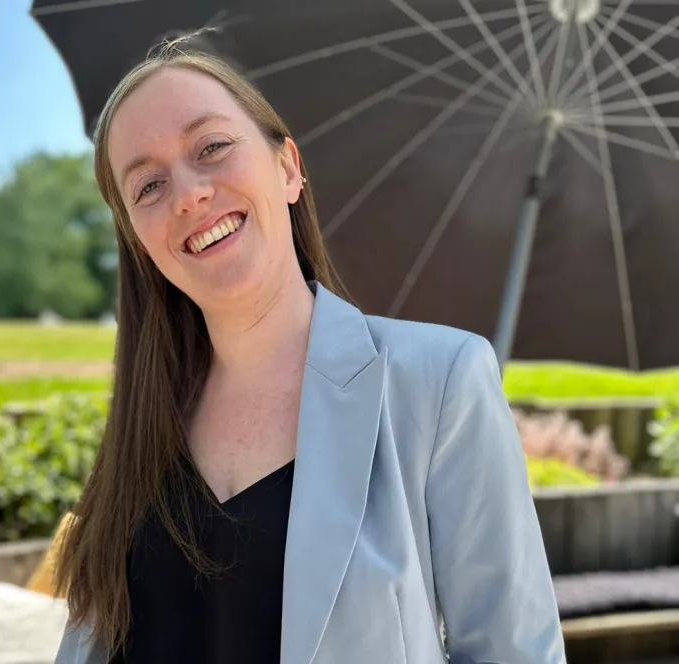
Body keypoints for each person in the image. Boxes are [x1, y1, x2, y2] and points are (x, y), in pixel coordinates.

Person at [53, 42, 566, 664]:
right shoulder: (143, 419)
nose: (187, 194)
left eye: (211, 147)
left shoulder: (440, 381)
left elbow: (515, 651)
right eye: (149, 185)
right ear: (137, 238)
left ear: (289, 168)